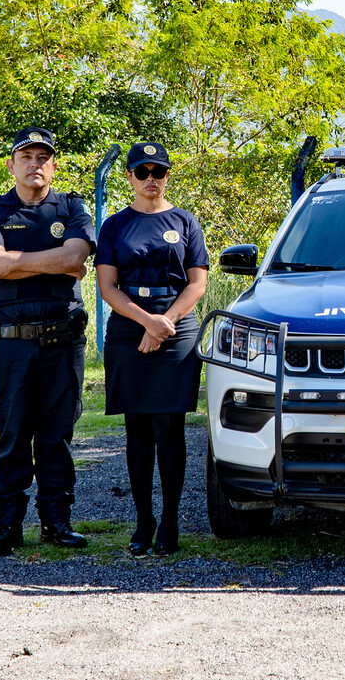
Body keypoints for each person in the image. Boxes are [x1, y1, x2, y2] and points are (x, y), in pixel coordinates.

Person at [0, 127, 96, 557]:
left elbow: (76, 257)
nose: (35, 163)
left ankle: (56, 521)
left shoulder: (72, 207)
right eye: (26, 156)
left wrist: (15, 262)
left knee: (57, 433)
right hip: (11, 343)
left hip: (62, 341)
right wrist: (54, 263)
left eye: (44, 156)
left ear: (53, 165)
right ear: (12, 164)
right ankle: (8, 525)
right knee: (11, 432)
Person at [94, 143, 208, 557]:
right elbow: (107, 287)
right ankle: (144, 521)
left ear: (167, 174)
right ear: (128, 176)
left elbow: (197, 283)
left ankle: (172, 521)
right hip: (129, 327)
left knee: (169, 427)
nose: (150, 179)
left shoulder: (185, 221)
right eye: (141, 172)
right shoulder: (114, 226)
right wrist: (147, 323)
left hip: (177, 328)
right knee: (138, 430)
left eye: (158, 170)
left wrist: (165, 324)